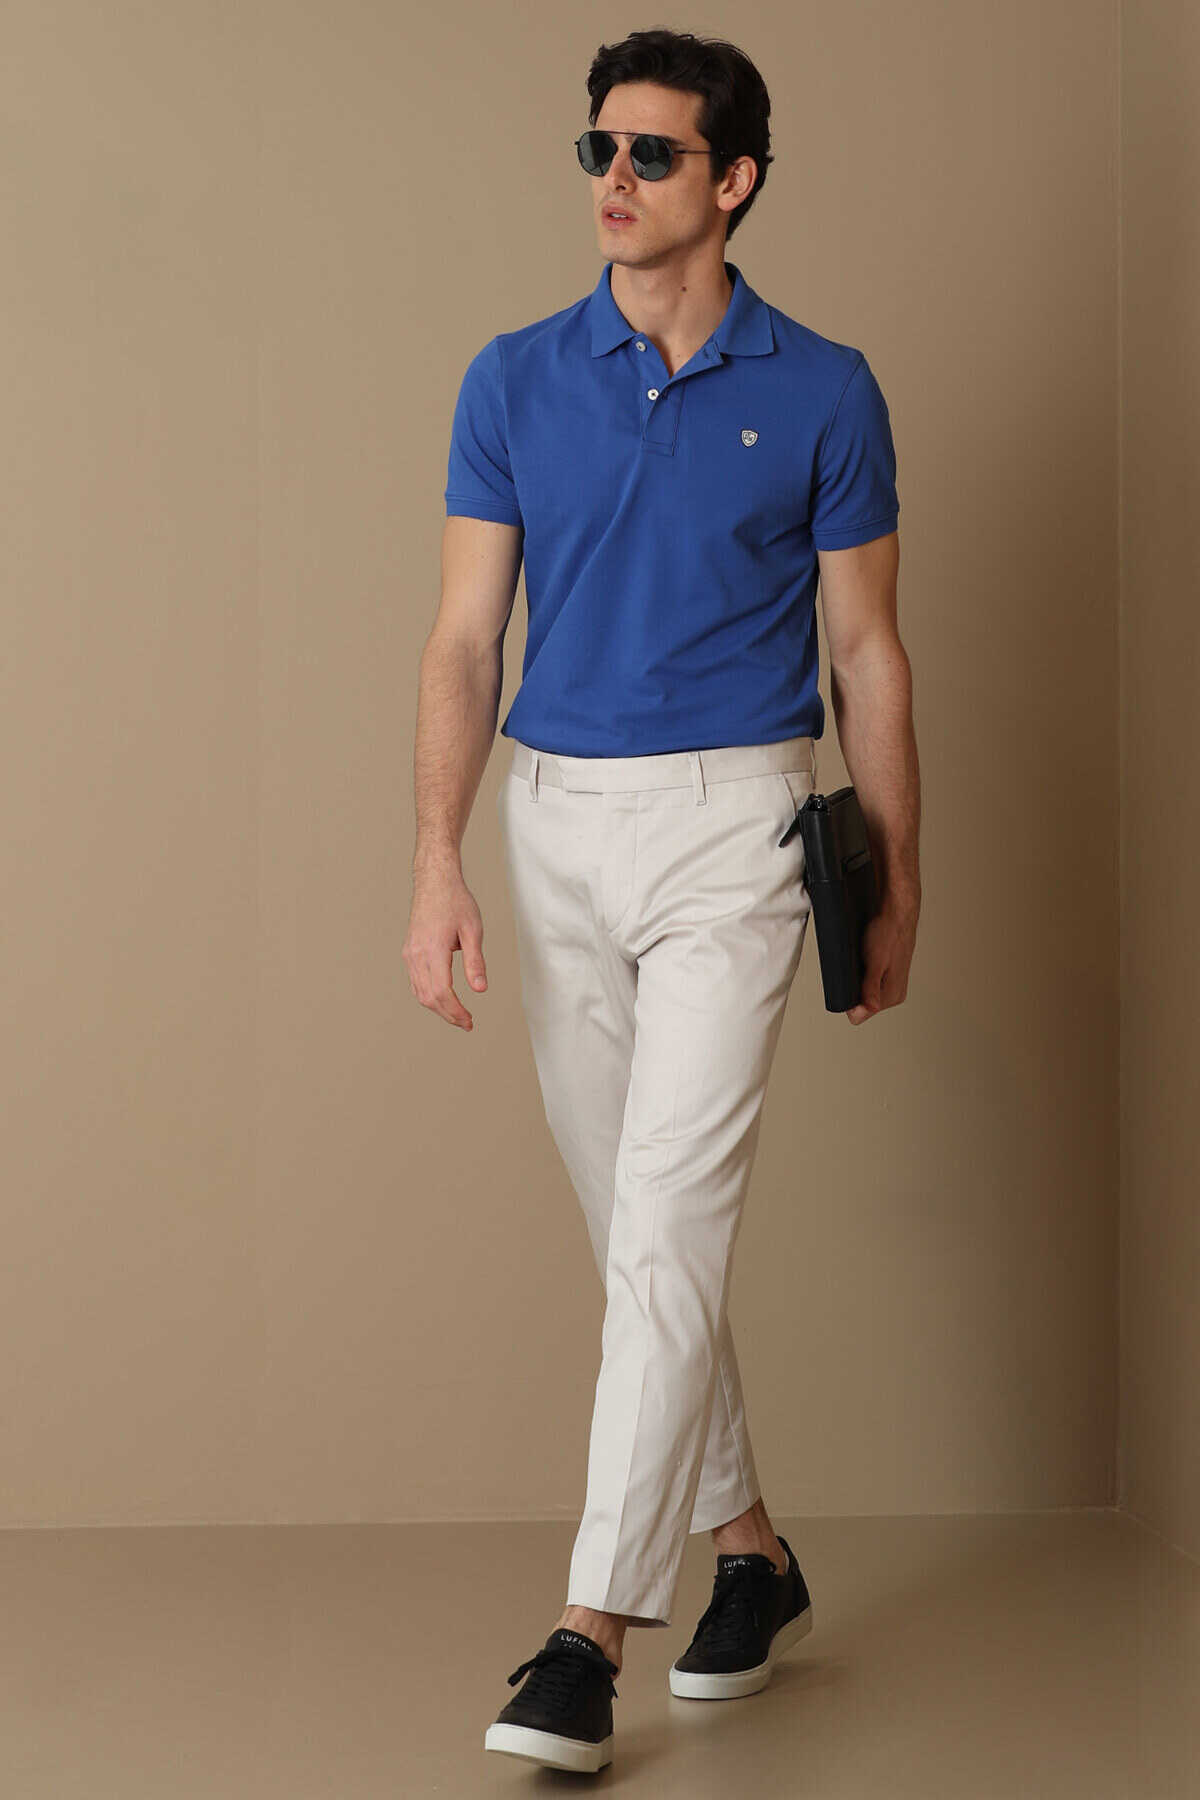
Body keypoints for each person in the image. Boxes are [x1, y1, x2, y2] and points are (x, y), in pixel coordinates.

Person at [403, 25, 921, 1776]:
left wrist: (898, 880)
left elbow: (868, 653)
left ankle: (587, 1637)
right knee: (638, 1230)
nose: (611, 180)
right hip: (553, 827)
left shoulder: (827, 389)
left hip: (739, 832)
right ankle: (752, 1554)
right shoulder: (512, 379)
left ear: (735, 180)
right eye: (597, 150)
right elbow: (464, 641)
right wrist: (437, 861)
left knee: (671, 1219)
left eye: (651, 153)